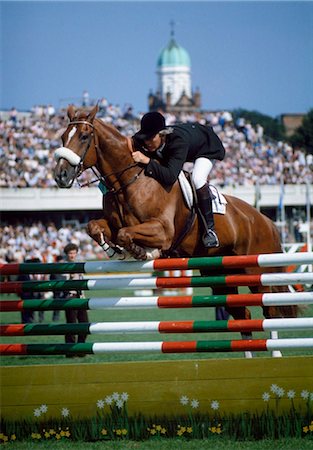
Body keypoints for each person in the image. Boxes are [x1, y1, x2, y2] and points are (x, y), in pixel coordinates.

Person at [132, 111, 226, 247]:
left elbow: (170, 177)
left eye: (150, 138)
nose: (147, 142)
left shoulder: (177, 142)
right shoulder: (147, 139)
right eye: (144, 138)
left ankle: (210, 230)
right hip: (192, 139)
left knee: (197, 180)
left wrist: (147, 160)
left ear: (162, 134)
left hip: (206, 147)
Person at [62, 243, 89, 357]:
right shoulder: (63, 266)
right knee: (71, 325)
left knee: (85, 324)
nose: (72, 255)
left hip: (81, 297)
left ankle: (81, 348)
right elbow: (61, 282)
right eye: (70, 253)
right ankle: (70, 350)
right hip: (70, 296)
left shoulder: (79, 264)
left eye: (74, 253)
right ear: (66, 254)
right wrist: (69, 276)